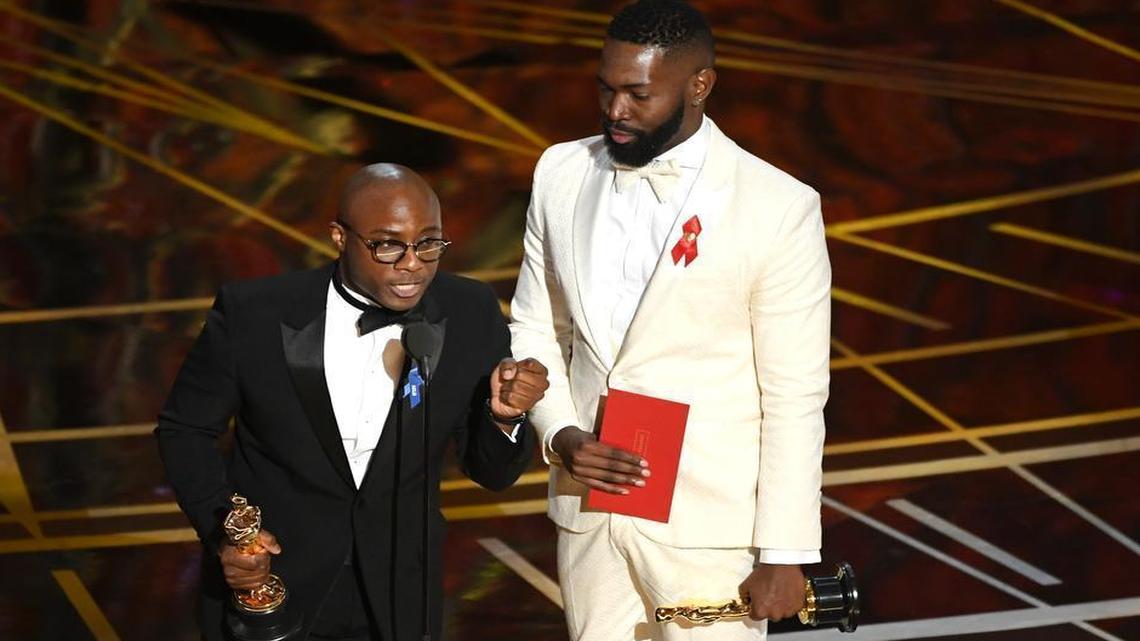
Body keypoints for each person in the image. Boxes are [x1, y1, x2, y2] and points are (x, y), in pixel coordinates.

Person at [508, 1, 831, 639]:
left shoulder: (778, 206)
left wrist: (787, 552)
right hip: (590, 509)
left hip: (708, 527)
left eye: (638, 94)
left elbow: (796, 393)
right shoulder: (561, 172)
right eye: (605, 88)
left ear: (699, 86)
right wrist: (560, 434)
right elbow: (535, 325)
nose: (615, 110)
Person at [156, 163, 548, 641]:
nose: (412, 264)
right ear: (339, 237)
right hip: (275, 582)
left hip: (401, 594)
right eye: (388, 245)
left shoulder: (469, 310)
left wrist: (504, 417)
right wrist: (225, 534)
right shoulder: (254, 314)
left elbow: (493, 471)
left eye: (429, 243)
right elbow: (185, 430)